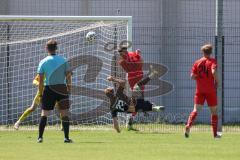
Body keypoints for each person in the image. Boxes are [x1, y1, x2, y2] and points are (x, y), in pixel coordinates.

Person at [105, 68, 164, 133]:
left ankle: (130, 120)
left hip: (130, 110)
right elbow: (123, 82)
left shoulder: (112, 107)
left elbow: (115, 122)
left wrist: (118, 131)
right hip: (134, 103)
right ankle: (152, 107)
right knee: (138, 87)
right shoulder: (117, 94)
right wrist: (113, 79)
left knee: (133, 106)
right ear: (113, 92)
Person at [37, 39, 72, 143]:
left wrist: (40, 93)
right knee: (64, 114)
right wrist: (69, 89)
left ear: (46, 48)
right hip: (61, 88)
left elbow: (40, 81)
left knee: (44, 114)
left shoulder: (43, 61)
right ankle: (66, 138)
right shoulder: (63, 60)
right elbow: (68, 77)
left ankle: (40, 138)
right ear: (56, 48)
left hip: (49, 89)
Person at [185, 43, 221, 138]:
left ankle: (188, 125)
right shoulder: (212, 61)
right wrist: (217, 81)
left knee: (195, 110)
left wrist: (200, 77)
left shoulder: (197, 62)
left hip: (199, 90)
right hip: (210, 90)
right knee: (214, 112)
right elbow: (213, 71)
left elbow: (192, 76)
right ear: (211, 52)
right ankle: (215, 134)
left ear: (203, 52)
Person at [118, 46, 144, 130]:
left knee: (137, 100)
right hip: (134, 79)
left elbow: (141, 62)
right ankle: (130, 117)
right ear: (121, 54)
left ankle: (130, 118)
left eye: (126, 51)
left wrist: (138, 55)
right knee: (137, 100)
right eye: (123, 52)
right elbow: (130, 69)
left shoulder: (132, 54)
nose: (125, 53)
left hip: (140, 77)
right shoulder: (122, 61)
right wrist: (138, 57)